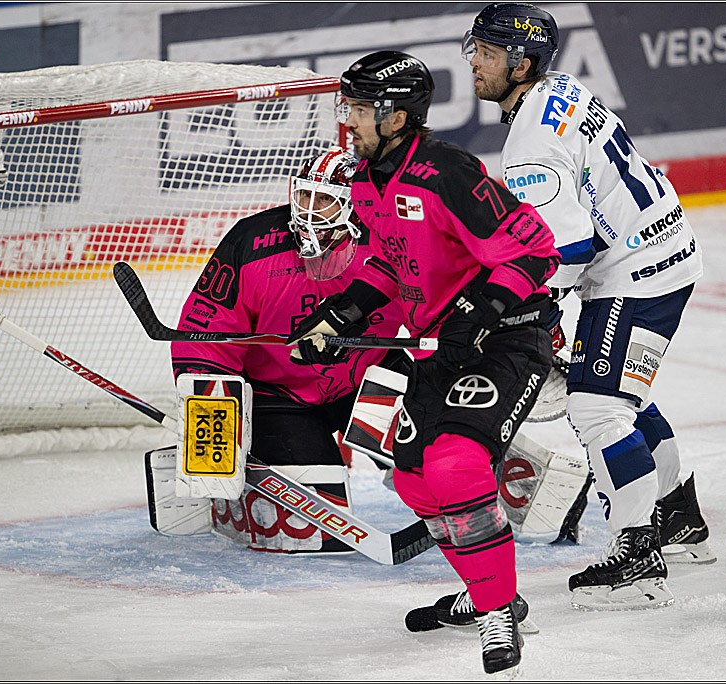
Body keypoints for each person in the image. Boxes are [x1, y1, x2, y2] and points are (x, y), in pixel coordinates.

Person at [287, 51, 560, 676]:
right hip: (436, 347)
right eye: (349, 107)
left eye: (360, 109)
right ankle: (490, 590)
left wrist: (476, 311)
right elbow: (389, 265)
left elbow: (536, 252)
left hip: (506, 340)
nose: (349, 120)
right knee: (413, 478)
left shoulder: (447, 174)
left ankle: (496, 614)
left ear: (396, 116)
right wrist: (336, 319)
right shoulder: (365, 180)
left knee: (456, 464)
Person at [463, 3, 716, 611]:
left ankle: (637, 557)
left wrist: (534, 308)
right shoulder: (558, 87)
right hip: (663, 249)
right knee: (622, 393)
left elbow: (571, 245)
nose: (474, 63)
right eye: (475, 49)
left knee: (598, 407)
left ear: (521, 64)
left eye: (489, 53)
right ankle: (678, 517)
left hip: (637, 272)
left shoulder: (529, 144)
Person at [164, 145, 409, 555]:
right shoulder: (252, 241)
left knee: (438, 461)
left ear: (356, 204)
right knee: (319, 534)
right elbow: (206, 330)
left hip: (367, 379)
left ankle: (444, 480)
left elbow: (434, 309)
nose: (309, 209)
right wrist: (210, 415)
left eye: (325, 199)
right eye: (304, 195)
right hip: (278, 395)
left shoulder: (391, 241)